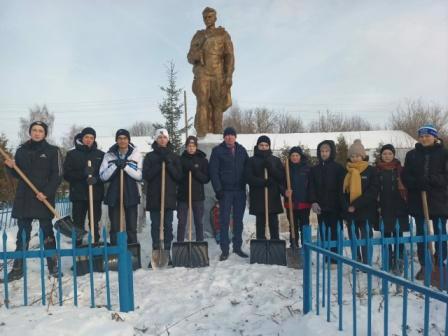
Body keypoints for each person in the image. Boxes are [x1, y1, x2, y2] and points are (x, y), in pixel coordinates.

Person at [3, 121, 62, 281]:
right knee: (22, 235)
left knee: (47, 233)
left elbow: (57, 176)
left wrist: (46, 193)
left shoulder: (53, 151)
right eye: (34, 130)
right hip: (24, 197)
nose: (37, 133)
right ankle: (17, 269)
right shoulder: (21, 150)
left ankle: (53, 267)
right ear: (30, 132)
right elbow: (18, 174)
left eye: (40, 131)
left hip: (42, 197)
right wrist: (10, 167)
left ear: (45, 134)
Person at [402, 125, 448, 280]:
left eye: (427, 136)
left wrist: (429, 180)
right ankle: (424, 265)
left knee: (440, 232)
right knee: (421, 234)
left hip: (439, 199)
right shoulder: (412, 155)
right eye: (421, 136)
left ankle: (439, 263)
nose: (424, 138)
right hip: (418, 200)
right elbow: (405, 175)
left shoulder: (444, 153)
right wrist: (416, 183)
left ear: (435, 137)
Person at [187, 7, 235, 136]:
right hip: (202, 73)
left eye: (210, 17)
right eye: (205, 17)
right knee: (202, 102)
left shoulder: (223, 34)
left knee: (217, 104)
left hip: (218, 73)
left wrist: (229, 75)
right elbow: (189, 57)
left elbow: (229, 56)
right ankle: (202, 134)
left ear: (215, 18)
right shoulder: (198, 35)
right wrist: (196, 55)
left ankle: (218, 134)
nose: (207, 19)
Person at [143, 129, 182, 264]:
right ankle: (155, 251)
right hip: (154, 196)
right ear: (156, 139)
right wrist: (159, 165)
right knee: (155, 226)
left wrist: (169, 164)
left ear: (168, 139)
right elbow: (146, 176)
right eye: (159, 137)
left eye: (164, 137)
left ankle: (166, 251)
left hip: (169, 196)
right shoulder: (149, 157)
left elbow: (178, 176)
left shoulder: (175, 157)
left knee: (168, 225)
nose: (162, 140)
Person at [209, 127, 248, 261]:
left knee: (238, 220)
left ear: (235, 137)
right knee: (224, 220)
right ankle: (225, 249)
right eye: (227, 135)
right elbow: (213, 172)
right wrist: (218, 189)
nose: (229, 137)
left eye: (232, 135)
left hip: (240, 191)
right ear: (224, 137)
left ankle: (237, 247)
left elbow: (247, 168)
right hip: (225, 192)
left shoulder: (242, 150)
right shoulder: (217, 151)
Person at [99, 129, 142, 245]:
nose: (122, 141)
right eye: (120, 138)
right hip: (114, 196)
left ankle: (132, 253)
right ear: (116, 140)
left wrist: (126, 167)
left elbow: (140, 176)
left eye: (125, 138)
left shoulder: (136, 154)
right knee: (115, 228)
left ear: (129, 140)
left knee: (132, 227)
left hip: (131, 194)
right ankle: (115, 252)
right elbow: (103, 176)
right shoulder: (109, 155)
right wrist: (115, 166)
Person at [63, 127, 104, 245]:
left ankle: (95, 242)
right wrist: (83, 174)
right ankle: (78, 246)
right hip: (78, 195)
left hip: (95, 195)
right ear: (82, 138)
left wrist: (96, 179)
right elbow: (67, 175)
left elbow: (105, 174)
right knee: (78, 223)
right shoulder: (72, 154)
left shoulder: (100, 155)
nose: (89, 140)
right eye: (86, 137)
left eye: (92, 138)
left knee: (94, 222)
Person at [342, 139, 379, 265]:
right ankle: (356, 260)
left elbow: (372, 191)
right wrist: (347, 206)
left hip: (366, 210)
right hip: (350, 212)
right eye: (352, 156)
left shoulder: (371, 171)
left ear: (363, 156)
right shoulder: (346, 171)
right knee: (354, 237)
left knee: (365, 237)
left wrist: (355, 205)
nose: (355, 158)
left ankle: (366, 262)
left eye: (357, 155)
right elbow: (342, 192)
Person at [308, 140, 346, 258]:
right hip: (321, 207)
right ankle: (327, 257)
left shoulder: (339, 168)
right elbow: (311, 186)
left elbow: (343, 189)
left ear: (331, 152)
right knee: (324, 232)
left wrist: (343, 206)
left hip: (335, 207)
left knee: (335, 232)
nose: (324, 154)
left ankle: (335, 258)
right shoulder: (314, 169)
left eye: (327, 151)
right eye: (322, 151)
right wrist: (313, 201)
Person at [376, 144, 408, 274]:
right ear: (381, 156)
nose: (387, 156)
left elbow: (407, 186)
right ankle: (388, 260)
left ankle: (399, 261)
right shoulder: (376, 170)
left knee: (398, 235)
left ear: (394, 155)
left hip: (399, 206)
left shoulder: (401, 170)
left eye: (389, 153)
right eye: (384, 154)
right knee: (386, 235)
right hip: (383, 206)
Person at [245, 135, 284, 240]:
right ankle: (261, 245)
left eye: (266, 145)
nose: (263, 147)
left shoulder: (275, 160)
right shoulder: (251, 160)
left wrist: (271, 169)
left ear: (269, 146)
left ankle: (275, 243)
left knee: (273, 223)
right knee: (260, 223)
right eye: (261, 145)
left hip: (272, 196)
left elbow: (281, 177)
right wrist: (263, 182)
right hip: (258, 196)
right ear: (257, 146)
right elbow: (248, 177)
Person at [177, 136, 210, 242]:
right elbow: (177, 177)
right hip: (183, 196)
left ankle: (199, 242)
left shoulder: (203, 160)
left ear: (196, 147)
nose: (191, 148)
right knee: (182, 222)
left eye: (193, 146)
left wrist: (195, 171)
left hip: (198, 196)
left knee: (198, 222)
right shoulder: (181, 160)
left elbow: (206, 179)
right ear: (186, 147)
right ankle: (180, 243)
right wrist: (186, 171)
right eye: (189, 146)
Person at [284, 146, 312, 247]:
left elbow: (311, 185)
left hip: (304, 202)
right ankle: (294, 245)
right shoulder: (286, 168)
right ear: (290, 157)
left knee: (304, 226)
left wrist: (311, 198)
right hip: (290, 202)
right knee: (293, 225)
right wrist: (285, 191)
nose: (295, 157)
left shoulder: (307, 169)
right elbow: (281, 184)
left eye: (297, 155)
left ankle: (306, 246)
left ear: (300, 156)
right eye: (292, 155)